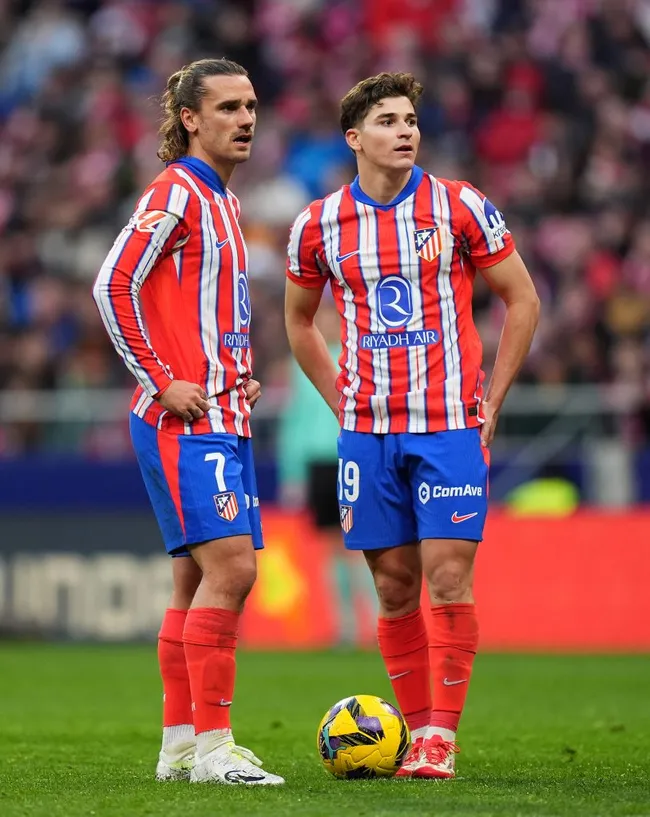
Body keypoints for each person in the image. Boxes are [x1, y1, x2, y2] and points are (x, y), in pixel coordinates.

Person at [284, 72, 540, 779]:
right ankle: (415, 727)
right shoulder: (319, 224)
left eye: (411, 120)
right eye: (389, 121)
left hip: (447, 426)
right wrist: (342, 399)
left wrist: (494, 396)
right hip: (367, 435)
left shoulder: (460, 207)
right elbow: (298, 322)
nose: (406, 131)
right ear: (354, 137)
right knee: (395, 586)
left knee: (448, 576)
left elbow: (522, 299)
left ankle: (440, 739)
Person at [92, 58, 284, 786]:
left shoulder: (226, 203)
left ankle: (179, 743)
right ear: (190, 120)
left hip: (221, 411)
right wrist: (162, 379)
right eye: (229, 107)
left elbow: (198, 312)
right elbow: (112, 282)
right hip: (183, 421)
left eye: (251, 105)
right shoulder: (178, 190)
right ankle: (215, 747)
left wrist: (236, 372)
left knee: (190, 579)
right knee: (232, 569)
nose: (246, 119)